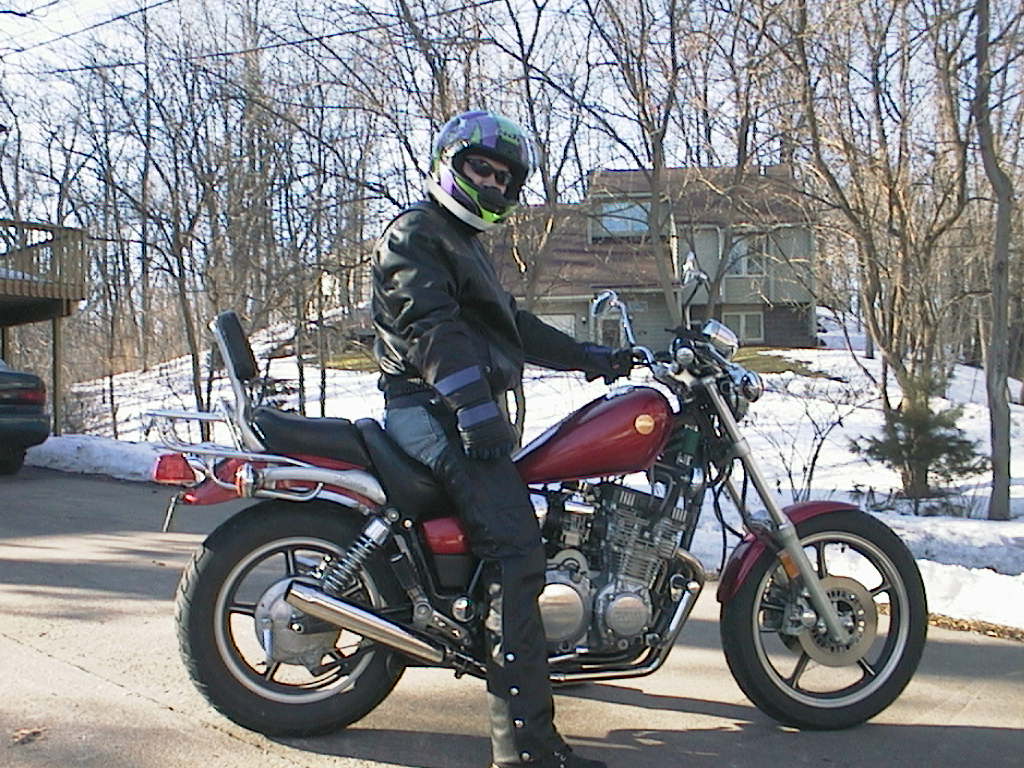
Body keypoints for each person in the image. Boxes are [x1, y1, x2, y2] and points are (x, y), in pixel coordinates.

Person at [371, 109, 632, 768]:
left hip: (457, 406)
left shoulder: (465, 246)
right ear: (449, 165)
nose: (491, 182)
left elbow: (511, 325)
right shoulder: (416, 233)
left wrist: (591, 358)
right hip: (428, 407)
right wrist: (470, 405)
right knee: (517, 551)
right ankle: (524, 748)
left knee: (524, 529)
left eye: (502, 177)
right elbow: (429, 325)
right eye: (480, 168)